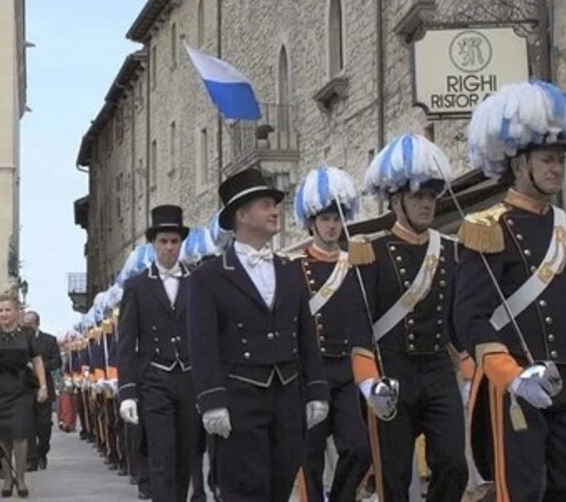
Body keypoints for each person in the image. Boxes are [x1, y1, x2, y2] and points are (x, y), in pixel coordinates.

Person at [455, 81, 566, 502]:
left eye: (559, 160)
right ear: (519, 165)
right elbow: (470, 317)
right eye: (547, 159)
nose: (556, 168)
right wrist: (512, 375)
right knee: (520, 491)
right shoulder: (488, 227)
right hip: (516, 381)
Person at [187, 166, 330, 502]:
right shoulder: (208, 277)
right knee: (244, 488)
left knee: (281, 484)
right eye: (266, 204)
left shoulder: (291, 270)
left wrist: (316, 390)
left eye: (275, 204)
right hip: (239, 398)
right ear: (242, 214)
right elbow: (202, 344)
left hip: (287, 396)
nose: (275, 211)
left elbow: (306, 336)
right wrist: (211, 401)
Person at [363, 135, 471, 502]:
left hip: (439, 369)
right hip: (393, 369)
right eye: (417, 197)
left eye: (430, 197)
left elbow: (460, 316)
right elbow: (361, 323)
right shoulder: (371, 253)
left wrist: (471, 361)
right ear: (396, 202)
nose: (426, 205)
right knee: (394, 475)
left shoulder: (452, 251)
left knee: (454, 464)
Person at [285, 168, 380, 502]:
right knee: (308, 457)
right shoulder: (294, 267)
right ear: (312, 222)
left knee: (359, 448)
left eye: (337, 218)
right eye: (325, 218)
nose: (332, 226)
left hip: (345, 371)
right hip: (311, 373)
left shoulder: (353, 264)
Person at [117, 205, 200, 502]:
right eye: (163, 241)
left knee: (186, 457)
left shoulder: (197, 281)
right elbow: (125, 342)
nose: (169, 247)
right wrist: (127, 391)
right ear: (153, 244)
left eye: (174, 241)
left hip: (190, 381)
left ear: (181, 243)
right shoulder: (137, 286)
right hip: (154, 381)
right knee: (161, 456)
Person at [0, 292, 49, 497]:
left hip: (21, 390)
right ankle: (7, 478)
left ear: (16, 312)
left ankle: (21, 477)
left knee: (20, 435)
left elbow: (37, 360)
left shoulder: (27, 334)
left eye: (8, 310)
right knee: (3, 435)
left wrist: (43, 386)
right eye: (1, 310)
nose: (4, 313)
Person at [23, 310, 60, 471]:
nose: (27, 327)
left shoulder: (49, 340)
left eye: (30, 324)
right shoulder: (20, 339)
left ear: (37, 323)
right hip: (26, 388)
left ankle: (42, 451)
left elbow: (56, 361)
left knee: (44, 425)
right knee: (28, 425)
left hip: (45, 386)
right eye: (25, 324)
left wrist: (39, 367)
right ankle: (31, 459)